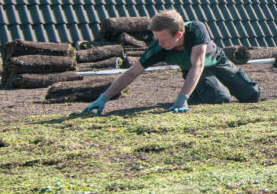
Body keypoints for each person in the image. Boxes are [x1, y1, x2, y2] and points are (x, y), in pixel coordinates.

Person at [80, 9, 260, 115]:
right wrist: (104, 97)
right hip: (193, 72)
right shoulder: (158, 49)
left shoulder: (196, 29)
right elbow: (131, 73)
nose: (160, 43)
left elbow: (199, 63)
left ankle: (194, 94)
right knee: (220, 100)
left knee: (252, 95)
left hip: (216, 61)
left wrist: (181, 99)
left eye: (164, 39)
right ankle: (197, 94)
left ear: (179, 35)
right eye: (157, 38)